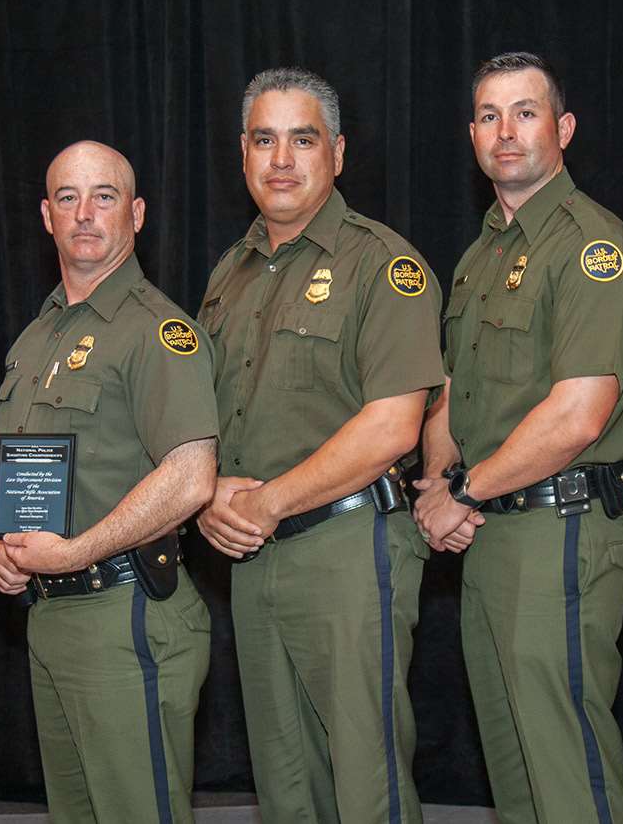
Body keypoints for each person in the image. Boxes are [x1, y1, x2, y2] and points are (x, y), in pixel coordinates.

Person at [194, 67, 442, 824]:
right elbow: (209, 419)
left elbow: (393, 425)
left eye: (302, 139)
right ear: (242, 153)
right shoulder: (227, 276)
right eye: (264, 140)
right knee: (284, 777)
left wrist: (265, 502)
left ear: (337, 152)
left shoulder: (383, 266)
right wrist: (208, 500)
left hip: (348, 549)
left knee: (366, 780)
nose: (281, 159)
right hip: (252, 553)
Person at [412, 52, 623, 824]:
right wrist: (436, 479)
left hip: (563, 529)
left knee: (564, 764)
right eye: (488, 115)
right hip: (492, 534)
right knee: (514, 766)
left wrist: (462, 493)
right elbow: (456, 392)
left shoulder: (593, 250)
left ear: (565, 129)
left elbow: (578, 414)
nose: (504, 131)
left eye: (524, 112)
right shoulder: (482, 254)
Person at [0, 140, 219, 823]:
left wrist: (77, 550)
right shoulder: (37, 336)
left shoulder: (158, 332)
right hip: (51, 617)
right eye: (68, 198)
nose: (85, 214)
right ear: (45, 216)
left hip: (126, 613)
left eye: (105, 196)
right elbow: (6, 455)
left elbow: (190, 477)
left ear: (137, 214)